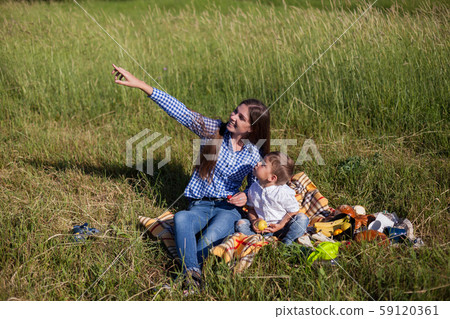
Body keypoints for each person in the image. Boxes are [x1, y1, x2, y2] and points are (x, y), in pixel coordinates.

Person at [111, 64, 270, 289]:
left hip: (228, 209)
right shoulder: (213, 130)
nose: (232, 116)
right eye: (235, 110)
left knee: (205, 240)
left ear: (251, 128)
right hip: (199, 205)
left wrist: (245, 195)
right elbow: (183, 113)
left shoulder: (254, 155)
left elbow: (257, 190)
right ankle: (193, 276)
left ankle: (186, 278)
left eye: (240, 116)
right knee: (181, 218)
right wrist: (142, 85)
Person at [235, 151, 309, 245]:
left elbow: (293, 211)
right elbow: (251, 209)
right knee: (240, 224)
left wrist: (280, 225)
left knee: (302, 219)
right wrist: (254, 221)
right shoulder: (253, 188)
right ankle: (262, 241)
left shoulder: (282, 192)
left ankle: (288, 242)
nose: (258, 163)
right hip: (263, 229)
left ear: (272, 178)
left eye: (263, 164)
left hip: (283, 227)